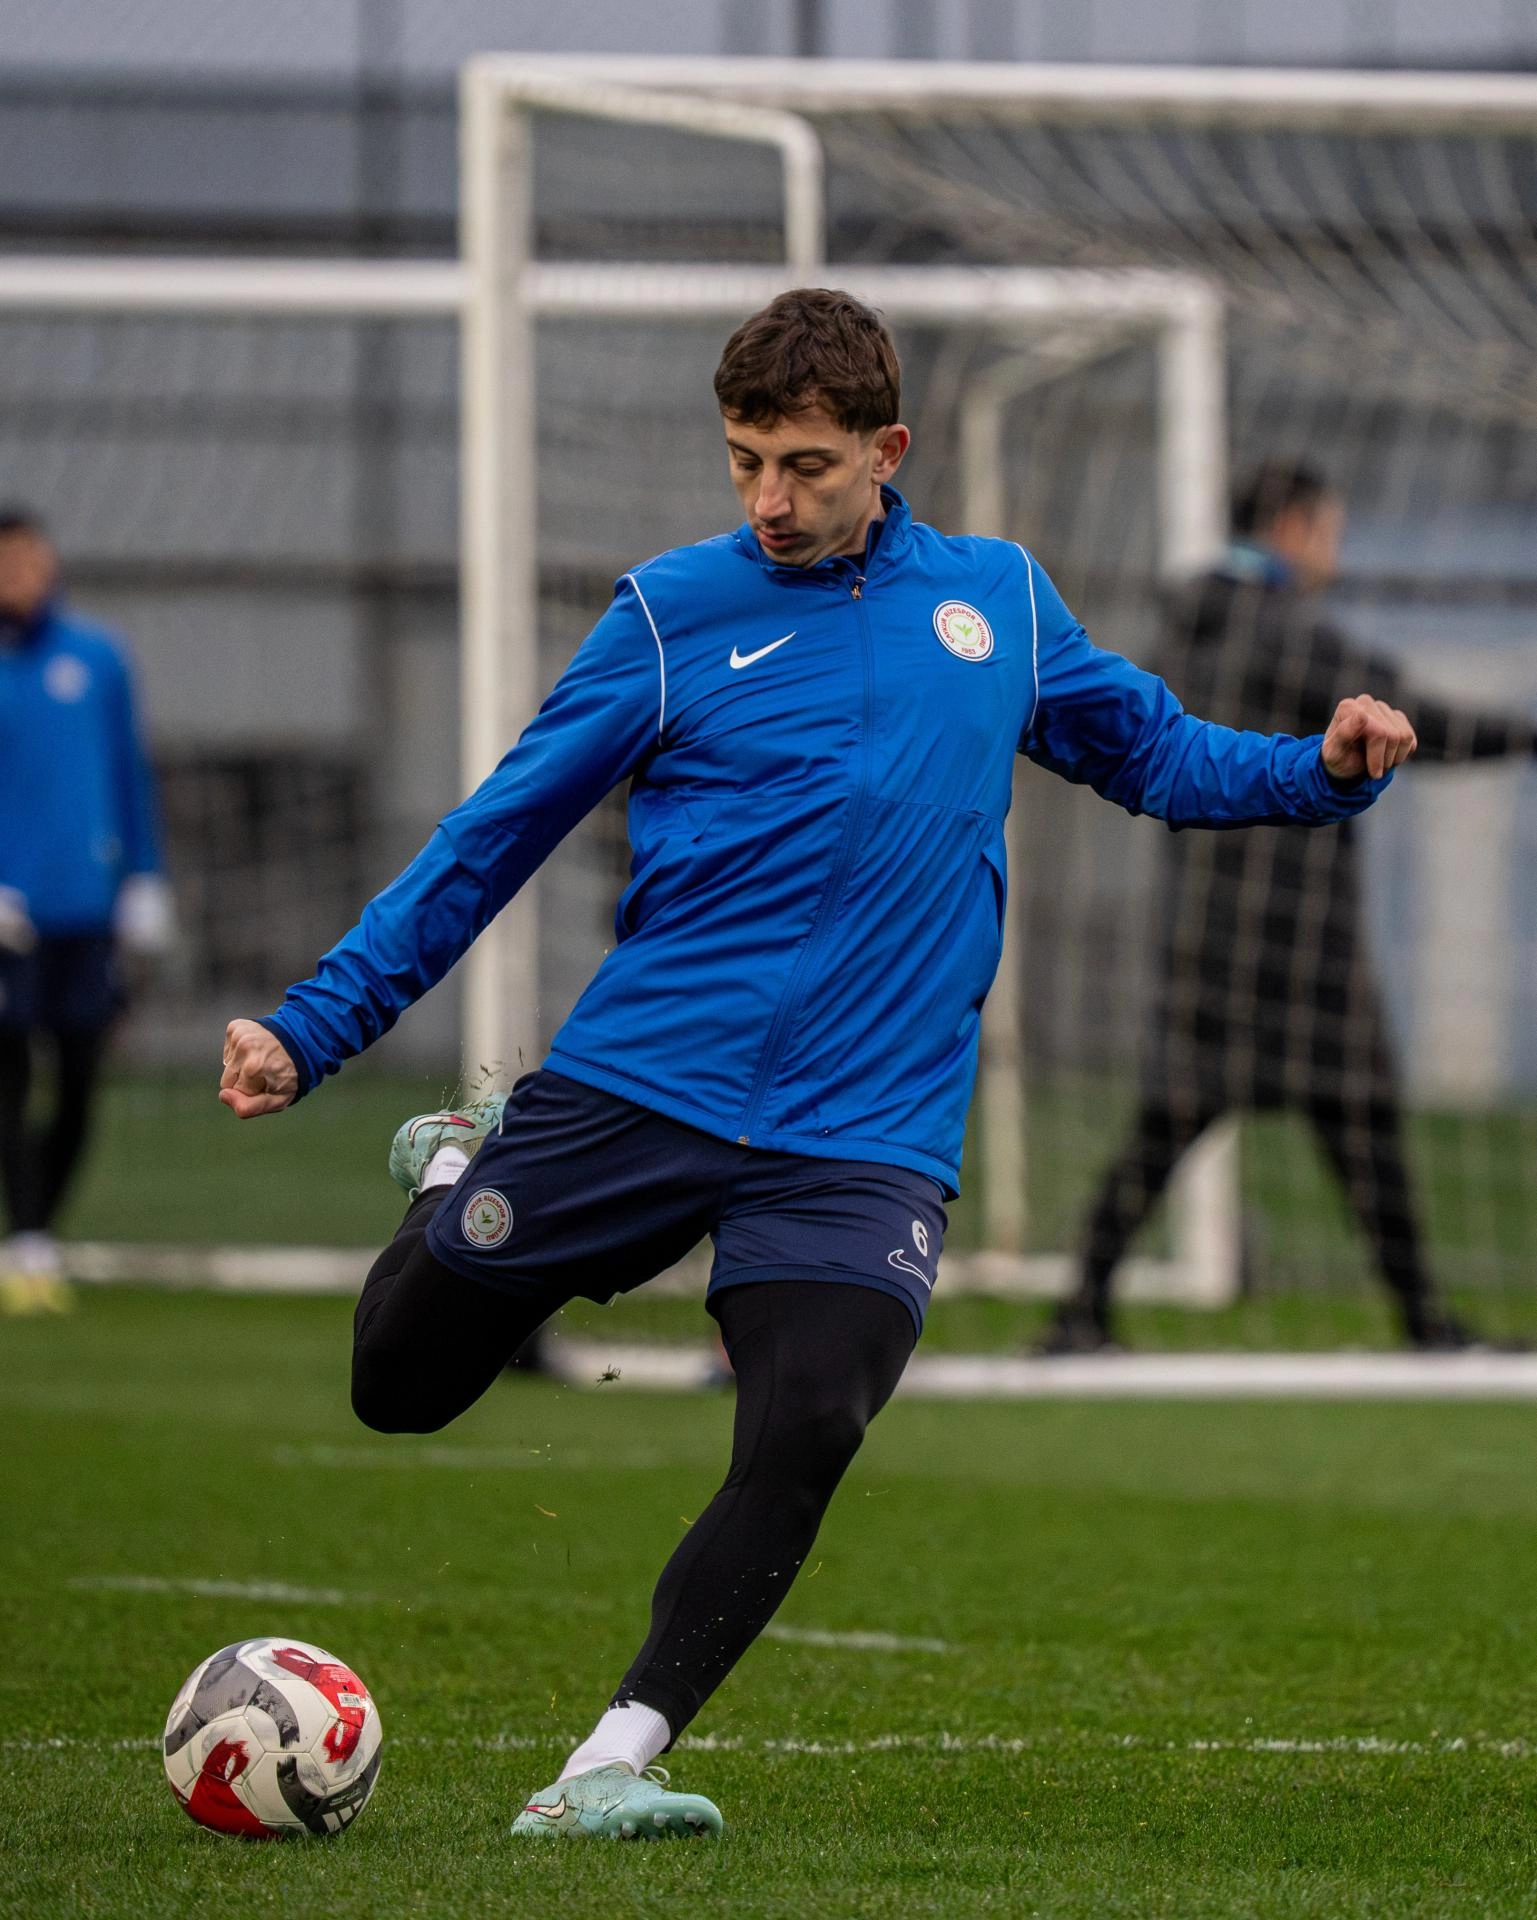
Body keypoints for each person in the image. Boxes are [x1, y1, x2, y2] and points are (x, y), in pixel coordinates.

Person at [218, 294, 1417, 1841]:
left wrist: (1317, 771)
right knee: (399, 1387)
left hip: (866, 1131)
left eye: (802, 465)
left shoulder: (996, 601)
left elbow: (1159, 756)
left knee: (807, 1429)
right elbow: (489, 838)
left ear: (885, 450)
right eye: (743, 463)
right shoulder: (671, 613)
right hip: (649, 1079)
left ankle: (607, 1765)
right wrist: (314, 1027)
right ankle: (459, 1161)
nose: (768, 500)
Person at [1042, 460, 1534, 1357]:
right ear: (1295, 527)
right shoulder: (1286, 631)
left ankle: (1080, 1310)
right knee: (1358, 1115)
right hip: (1298, 931)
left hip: (1204, 923)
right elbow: (1414, 724)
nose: (1332, 552)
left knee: (1174, 1117)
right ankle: (1427, 1326)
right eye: (1329, 532)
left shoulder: (1185, 625)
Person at [0, 508, 170, 1315]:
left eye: (30, 558)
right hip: (8, 916)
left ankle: (38, 1227)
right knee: (8, 1072)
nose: (21, 574)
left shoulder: (97, 658)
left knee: (77, 1080)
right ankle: (28, 1239)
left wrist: (145, 879)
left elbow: (127, 769)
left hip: (86, 910)